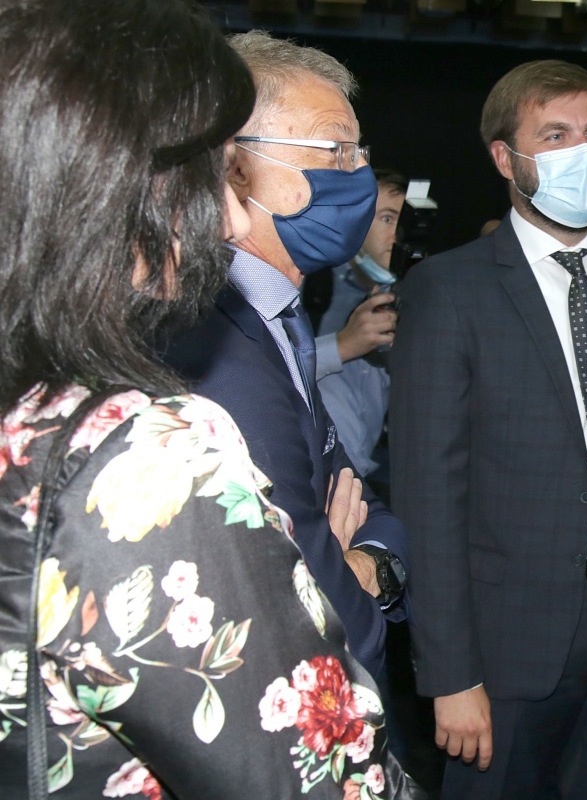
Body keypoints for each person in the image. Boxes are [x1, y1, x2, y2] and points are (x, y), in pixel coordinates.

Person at [0, 0, 418, 797]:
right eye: (203, 175)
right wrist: (324, 584)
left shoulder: (36, 407)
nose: (226, 215)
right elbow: (318, 773)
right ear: (95, 179)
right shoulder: (143, 450)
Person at [389, 60, 587, 799]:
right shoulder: (449, 290)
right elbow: (427, 497)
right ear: (506, 159)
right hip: (503, 645)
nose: (584, 152)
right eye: (557, 135)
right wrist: (449, 673)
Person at [162, 31, 409, 679]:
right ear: (232, 162)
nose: (358, 176)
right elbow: (312, 617)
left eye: (359, 153)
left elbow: (364, 503)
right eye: (335, 151)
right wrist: (349, 579)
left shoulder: (277, 321)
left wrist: (372, 564)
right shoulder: (204, 347)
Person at [314, 169, 406, 480]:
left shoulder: (412, 296)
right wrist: (342, 345)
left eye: (405, 220)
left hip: (363, 477)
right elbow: (265, 368)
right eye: (387, 218)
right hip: (310, 474)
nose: (398, 233)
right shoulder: (311, 284)